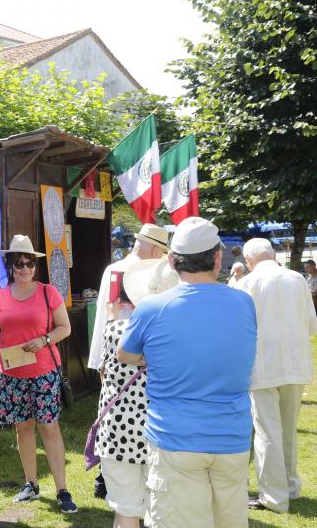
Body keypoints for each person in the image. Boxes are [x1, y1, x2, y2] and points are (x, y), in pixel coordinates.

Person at [117, 217, 257, 528]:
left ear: (170, 261)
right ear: (218, 257)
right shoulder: (243, 303)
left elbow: (125, 353)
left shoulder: (152, 307)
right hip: (231, 438)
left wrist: (152, 357)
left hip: (175, 440)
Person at [0, 235, 76, 513]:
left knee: (49, 427)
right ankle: (31, 484)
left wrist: (44, 340)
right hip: (11, 374)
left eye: (29, 262)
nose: (25, 268)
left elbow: (64, 328)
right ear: (10, 265)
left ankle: (62, 490)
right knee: (23, 427)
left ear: (35, 265)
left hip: (43, 372)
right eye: (19, 263)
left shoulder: (47, 292)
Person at [95, 259, 179, 528]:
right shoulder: (173, 333)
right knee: (160, 508)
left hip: (118, 431)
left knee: (125, 507)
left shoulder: (114, 329)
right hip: (162, 429)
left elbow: (104, 372)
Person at [235, 238, 317, 513]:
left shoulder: (247, 283)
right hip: (295, 364)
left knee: (267, 433)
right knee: (286, 430)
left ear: (249, 260)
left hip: (262, 367)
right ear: (272, 254)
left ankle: (273, 496)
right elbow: (311, 325)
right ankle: (290, 486)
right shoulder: (298, 279)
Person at [88, 223, 169, 499]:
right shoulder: (156, 273)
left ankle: (107, 477)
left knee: (110, 410)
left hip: (113, 350)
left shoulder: (113, 269)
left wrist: (100, 358)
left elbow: (102, 317)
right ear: (157, 250)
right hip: (144, 351)